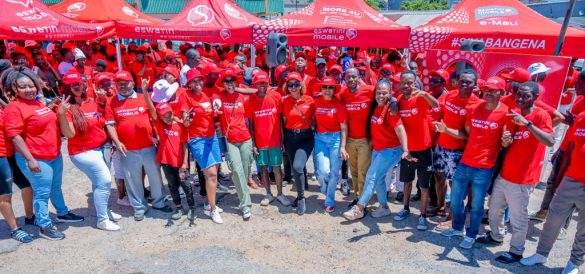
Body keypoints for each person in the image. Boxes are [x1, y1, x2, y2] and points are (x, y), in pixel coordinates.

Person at [475, 81, 555, 263]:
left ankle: (517, 251)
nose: (520, 98)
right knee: (495, 210)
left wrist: (527, 124)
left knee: (518, 218)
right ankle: (496, 236)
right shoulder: (515, 114)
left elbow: (550, 140)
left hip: (523, 178)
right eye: (518, 94)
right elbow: (507, 143)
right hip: (505, 174)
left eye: (525, 96)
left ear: (535, 97)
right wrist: (506, 140)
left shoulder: (541, 115)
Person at [4, 67, 83, 240]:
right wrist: (30, 160)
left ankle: (62, 213)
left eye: (31, 86)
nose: (29, 90)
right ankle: (44, 225)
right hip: (36, 158)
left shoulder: (38, 103)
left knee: (55, 187)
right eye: (23, 87)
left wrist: (53, 108)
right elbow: (15, 136)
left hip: (53, 155)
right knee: (41, 193)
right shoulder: (14, 108)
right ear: (15, 89)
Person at [438, 76, 510, 249]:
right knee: (455, 200)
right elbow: (468, 134)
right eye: (487, 90)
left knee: (477, 206)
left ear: (501, 92)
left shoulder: (505, 113)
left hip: (484, 167)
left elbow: (505, 142)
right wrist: (447, 130)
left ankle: (471, 235)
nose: (489, 93)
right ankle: (457, 228)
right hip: (465, 162)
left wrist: (506, 141)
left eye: (493, 91)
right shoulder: (475, 108)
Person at [520, 110, 585, 274]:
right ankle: (541, 254)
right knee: (553, 220)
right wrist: (559, 176)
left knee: (583, 230)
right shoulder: (581, 117)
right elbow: (570, 147)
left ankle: (574, 263)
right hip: (571, 179)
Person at [57, 71, 121, 231]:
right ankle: (102, 220)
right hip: (83, 152)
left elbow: (105, 120)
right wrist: (61, 115)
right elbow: (69, 134)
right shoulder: (67, 107)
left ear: (83, 84)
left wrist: (102, 100)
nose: (76, 87)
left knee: (99, 183)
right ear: (67, 87)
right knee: (105, 180)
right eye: (72, 85)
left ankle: (104, 210)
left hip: (102, 148)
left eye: (78, 83)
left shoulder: (92, 100)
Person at [105, 71, 171, 222]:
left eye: (126, 83)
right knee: (132, 179)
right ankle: (139, 207)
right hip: (127, 148)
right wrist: (117, 142)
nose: (122, 86)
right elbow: (110, 125)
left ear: (133, 84)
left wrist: (147, 95)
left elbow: (154, 117)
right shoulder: (111, 101)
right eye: (119, 83)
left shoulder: (143, 98)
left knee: (155, 176)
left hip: (148, 145)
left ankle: (159, 203)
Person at [343, 79, 409, 220]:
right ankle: (384, 207)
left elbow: (400, 129)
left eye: (384, 93)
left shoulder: (392, 109)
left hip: (390, 150)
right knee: (378, 179)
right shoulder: (375, 106)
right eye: (378, 92)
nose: (380, 95)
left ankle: (359, 208)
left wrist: (405, 150)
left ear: (390, 93)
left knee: (371, 176)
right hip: (378, 149)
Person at [432, 70, 481, 230]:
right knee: (439, 177)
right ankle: (440, 207)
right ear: (457, 81)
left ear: (475, 85)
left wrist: (446, 130)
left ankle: (453, 217)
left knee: (456, 185)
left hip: (457, 151)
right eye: (462, 81)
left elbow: (468, 135)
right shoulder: (450, 95)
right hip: (441, 145)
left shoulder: (475, 105)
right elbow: (438, 111)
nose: (465, 84)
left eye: (469, 82)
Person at [393, 70, 439, 230]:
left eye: (409, 83)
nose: (406, 85)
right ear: (399, 84)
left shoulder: (420, 98)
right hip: (408, 151)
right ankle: (405, 208)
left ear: (414, 84)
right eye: (403, 82)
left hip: (424, 150)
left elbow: (436, 105)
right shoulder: (399, 99)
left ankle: (422, 216)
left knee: (424, 186)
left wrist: (425, 94)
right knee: (406, 183)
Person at [179, 69, 223, 224]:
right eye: (194, 81)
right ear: (189, 83)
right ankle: (213, 209)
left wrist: (216, 108)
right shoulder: (185, 95)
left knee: (214, 172)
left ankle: (208, 202)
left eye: (199, 80)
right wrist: (189, 119)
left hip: (212, 138)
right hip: (198, 140)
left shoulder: (205, 96)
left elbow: (211, 115)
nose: (198, 84)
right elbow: (185, 122)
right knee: (211, 174)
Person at [213, 68, 254, 220]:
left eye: (232, 81)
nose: (229, 84)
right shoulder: (218, 96)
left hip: (245, 139)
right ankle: (245, 204)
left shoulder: (242, 97)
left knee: (245, 169)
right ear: (222, 83)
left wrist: (254, 142)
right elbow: (215, 104)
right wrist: (216, 107)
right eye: (226, 81)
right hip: (230, 140)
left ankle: (242, 192)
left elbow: (249, 119)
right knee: (237, 171)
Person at [246, 71, 291, 207]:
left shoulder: (276, 96)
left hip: (275, 140)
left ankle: (280, 194)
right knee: (264, 168)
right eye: (259, 83)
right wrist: (254, 143)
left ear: (267, 83)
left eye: (264, 83)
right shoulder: (251, 101)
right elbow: (251, 124)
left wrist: (282, 140)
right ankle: (268, 194)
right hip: (260, 142)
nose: (262, 85)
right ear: (255, 84)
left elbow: (281, 120)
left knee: (277, 168)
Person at [338, 68, 375, 207]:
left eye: (354, 77)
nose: (351, 80)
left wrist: (393, 101)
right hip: (349, 140)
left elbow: (385, 94)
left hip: (365, 140)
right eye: (349, 77)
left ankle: (362, 201)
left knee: (362, 171)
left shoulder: (369, 91)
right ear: (345, 79)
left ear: (359, 77)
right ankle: (357, 196)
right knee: (353, 172)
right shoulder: (343, 93)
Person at [313, 76, 349, 213]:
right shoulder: (315, 103)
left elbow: (344, 128)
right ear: (321, 88)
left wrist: (343, 147)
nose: (327, 90)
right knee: (323, 171)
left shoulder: (339, 105)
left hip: (336, 139)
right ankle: (326, 190)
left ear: (334, 89)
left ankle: (329, 200)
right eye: (325, 87)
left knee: (334, 172)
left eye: (330, 87)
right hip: (320, 138)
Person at [282, 72, 314, 215]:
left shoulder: (310, 100)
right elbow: (283, 122)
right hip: (290, 138)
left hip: (305, 137)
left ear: (301, 85)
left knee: (297, 166)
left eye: (296, 84)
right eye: (290, 85)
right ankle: (302, 187)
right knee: (297, 168)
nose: (293, 88)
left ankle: (301, 198)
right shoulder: (284, 101)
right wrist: (282, 140)